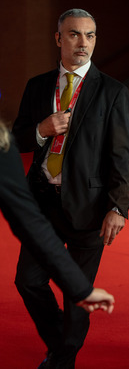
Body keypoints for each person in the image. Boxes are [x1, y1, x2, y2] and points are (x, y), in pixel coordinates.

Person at [12, 8, 129, 368]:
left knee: (77, 293)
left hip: (89, 207)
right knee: (28, 281)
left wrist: (119, 206)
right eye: (75, 34)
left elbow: (122, 154)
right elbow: (17, 138)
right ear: (58, 38)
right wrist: (41, 129)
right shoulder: (37, 85)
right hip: (41, 203)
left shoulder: (113, 91)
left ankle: (63, 358)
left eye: (90, 35)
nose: (83, 43)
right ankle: (59, 342)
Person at [1, 122, 115, 315]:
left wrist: (80, 289)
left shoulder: (2, 145)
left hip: (82, 207)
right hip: (43, 193)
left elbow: (29, 222)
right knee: (28, 279)